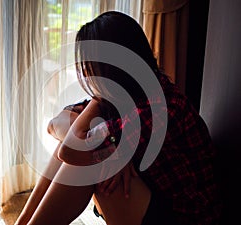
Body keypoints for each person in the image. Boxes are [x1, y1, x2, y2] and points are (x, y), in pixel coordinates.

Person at [15, 11, 222, 225]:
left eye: (90, 67)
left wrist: (102, 148)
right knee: (89, 149)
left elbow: (69, 150)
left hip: (187, 219)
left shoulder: (158, 109)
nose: (86, 75)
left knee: (90, 164)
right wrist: (108, 147)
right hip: (158, 203)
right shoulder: (125, 93)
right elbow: (54, 124)